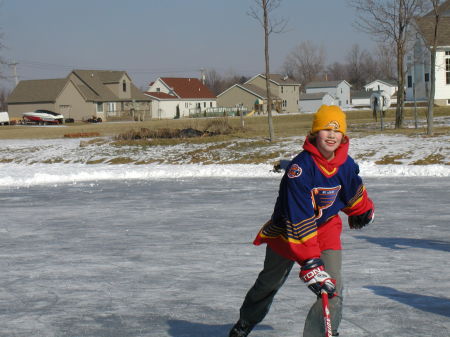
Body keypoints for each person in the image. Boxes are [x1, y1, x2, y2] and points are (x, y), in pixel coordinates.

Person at [229, 105, 374, 337]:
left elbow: (353, 191)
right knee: (268, 284)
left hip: (325, 230)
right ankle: (245, 321)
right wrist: (311, 263)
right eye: (326, 129)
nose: (331, 135)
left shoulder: (345, 165)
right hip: (287, 233)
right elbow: (299, 219)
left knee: (333, 289)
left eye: (337, 131)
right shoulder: (299, 170)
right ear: (315, 133)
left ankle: (323, 333)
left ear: (343, 136)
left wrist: (362, 210)